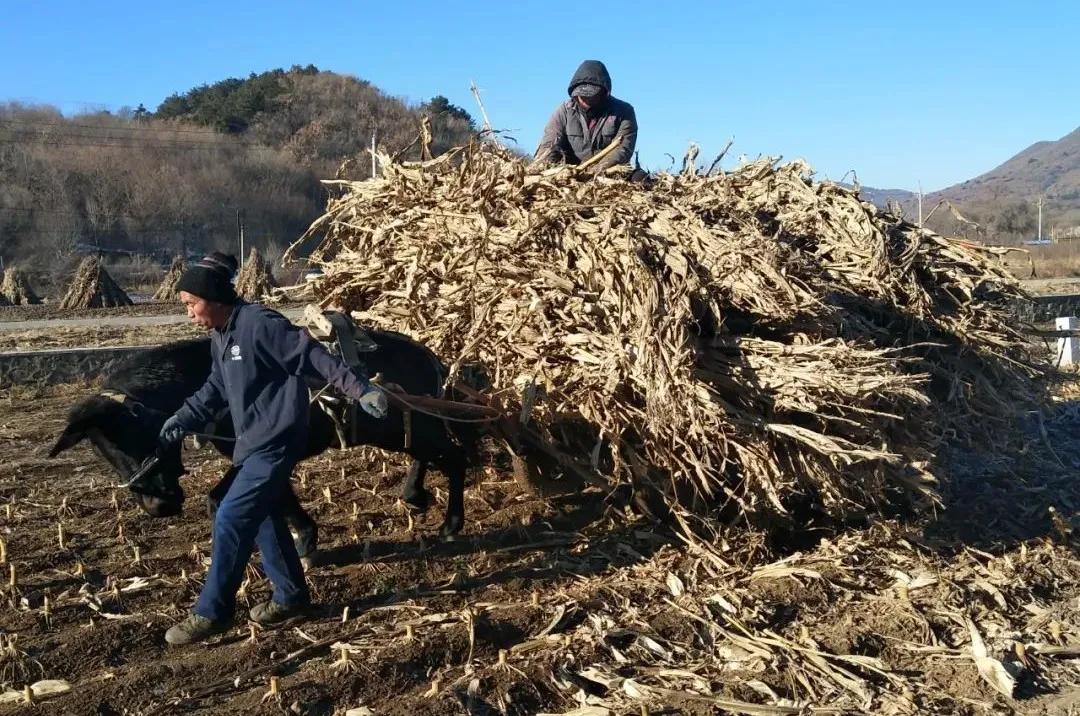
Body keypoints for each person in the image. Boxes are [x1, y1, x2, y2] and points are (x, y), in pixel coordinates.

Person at [159, 252, 389, 646]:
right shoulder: (222, 336)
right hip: (252, 444)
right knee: (259, 513)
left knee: (231, 516)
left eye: (190, 304)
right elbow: (216, 388)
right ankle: (291, 597)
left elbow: (312, 357)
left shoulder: (259, 324)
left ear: (213, 298)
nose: (189, 314)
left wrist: (361, 389)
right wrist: (182, 418)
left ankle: (213, 612)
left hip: (276, 441)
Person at [534, 60, 637, 172]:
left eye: (591, 95)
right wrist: (547, 169)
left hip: (607, 171)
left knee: (640, 178)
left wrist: (592, 172)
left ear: (604, 93)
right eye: (581, 94)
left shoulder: (624, 112)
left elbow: (622, 150)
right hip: (569, 171)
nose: (584, 99)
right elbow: (549, 146)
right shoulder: (564, 111)